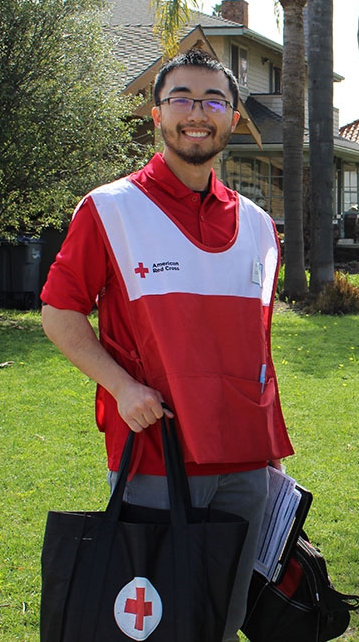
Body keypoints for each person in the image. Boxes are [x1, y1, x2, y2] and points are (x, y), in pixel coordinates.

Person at [41, 48, 293, 641]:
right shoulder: (111, 209)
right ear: (156, 115)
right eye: (181, 98)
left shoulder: (258, 224)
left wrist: (270, 448)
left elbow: (257, 347)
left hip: (245, 464)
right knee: (153, 628)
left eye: (213, 101)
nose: (196, 113)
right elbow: (59, 311)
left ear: (234, 118)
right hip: (154, 454)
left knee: (221, 620)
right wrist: (122, 387)